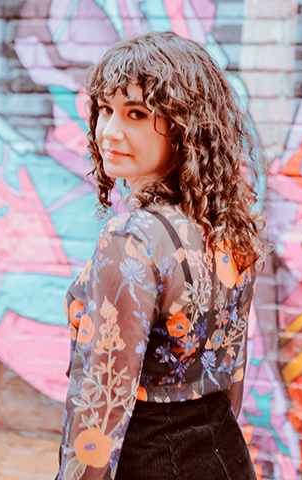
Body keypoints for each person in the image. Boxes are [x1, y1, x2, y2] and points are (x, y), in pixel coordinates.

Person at [57, 31, 264, 480]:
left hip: (148, 460)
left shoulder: (132, 238)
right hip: (225, 456)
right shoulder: (226, 227)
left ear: (184, 125)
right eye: (106, 110)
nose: (110, 131)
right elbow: (232, 378)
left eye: (136, 113)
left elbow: (101, 404)